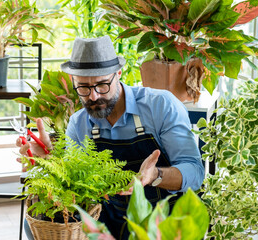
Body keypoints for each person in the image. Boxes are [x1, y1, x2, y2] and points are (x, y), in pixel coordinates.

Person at [17, 36, 204, 240]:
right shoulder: (79, 124)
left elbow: (194, 172)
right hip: (108, 221)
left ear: (118, 74)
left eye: (102, 85)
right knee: (33, 226)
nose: (94, 96)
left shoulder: (160, 105)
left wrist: (156, 175)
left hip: (161, 219)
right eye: (83, 87)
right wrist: (49, 162)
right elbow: (76, 188)